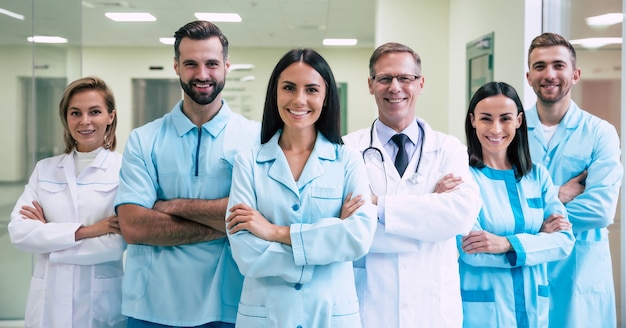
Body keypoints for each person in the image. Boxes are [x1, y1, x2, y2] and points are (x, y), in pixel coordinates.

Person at [114, 21, 260, 328]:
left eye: (212, 64)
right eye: (191, 64)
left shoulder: (256, 139)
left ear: (227, 66)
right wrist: (227, 227)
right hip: (153, 307)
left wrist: (171, 206)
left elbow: (264, 215)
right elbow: (135, 227)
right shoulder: (144, 139)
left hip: (230, 307)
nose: (202, 74)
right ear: (177, 66)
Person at [225, 48, 377, 328]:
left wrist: (273, 232)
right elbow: (246, 252)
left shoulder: (348, 160)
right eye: (289, 88)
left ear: (326, 97)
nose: (299, 99)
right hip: (266, 313)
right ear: (275, 93)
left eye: (311, 89)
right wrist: (331, 234)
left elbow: (358, 237)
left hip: (331, 314)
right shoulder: (248, 162)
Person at [342, 42, 482, 328]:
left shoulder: (448, 148)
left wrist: (377, 205)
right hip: (370, 309)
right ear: (370, 85)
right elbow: (348, 229)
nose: (395, 87)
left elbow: (461, 215)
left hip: (432, 311)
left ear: (420, 84)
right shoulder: (347, 150)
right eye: (384, 78)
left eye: (405, 78)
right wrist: (429, 216)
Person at [8, 76, 126, 328]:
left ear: (110, 116)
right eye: (75, 113)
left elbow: (116, 243)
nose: (85, 121)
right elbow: (20, 233)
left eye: (95, 112)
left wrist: (49, 241)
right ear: (66, 118)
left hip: (99, 304)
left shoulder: (124, 169)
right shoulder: (45, 169)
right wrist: (90, 231)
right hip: (48, 301)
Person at [525, 32, 623, 328]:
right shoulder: (509, 132)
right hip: (526, 270)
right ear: (528, 76)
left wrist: (531, 219)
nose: (549, 74)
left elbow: (600, 210)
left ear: (575, 74)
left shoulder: (600, 133)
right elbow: (492, 201)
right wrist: (560, 193)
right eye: (540, 67)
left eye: (559, 65)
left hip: (579, 274)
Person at [458, 81, 575, 328]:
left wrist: (505, 244)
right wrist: (538, 239)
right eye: (486, 119)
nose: (496, 128)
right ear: (473, 121)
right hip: (485, 311)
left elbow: (564, 242)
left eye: (505, 118)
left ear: (519, 121)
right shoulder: (462, 178)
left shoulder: (538, 176)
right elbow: (472, 252)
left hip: (534, 309)